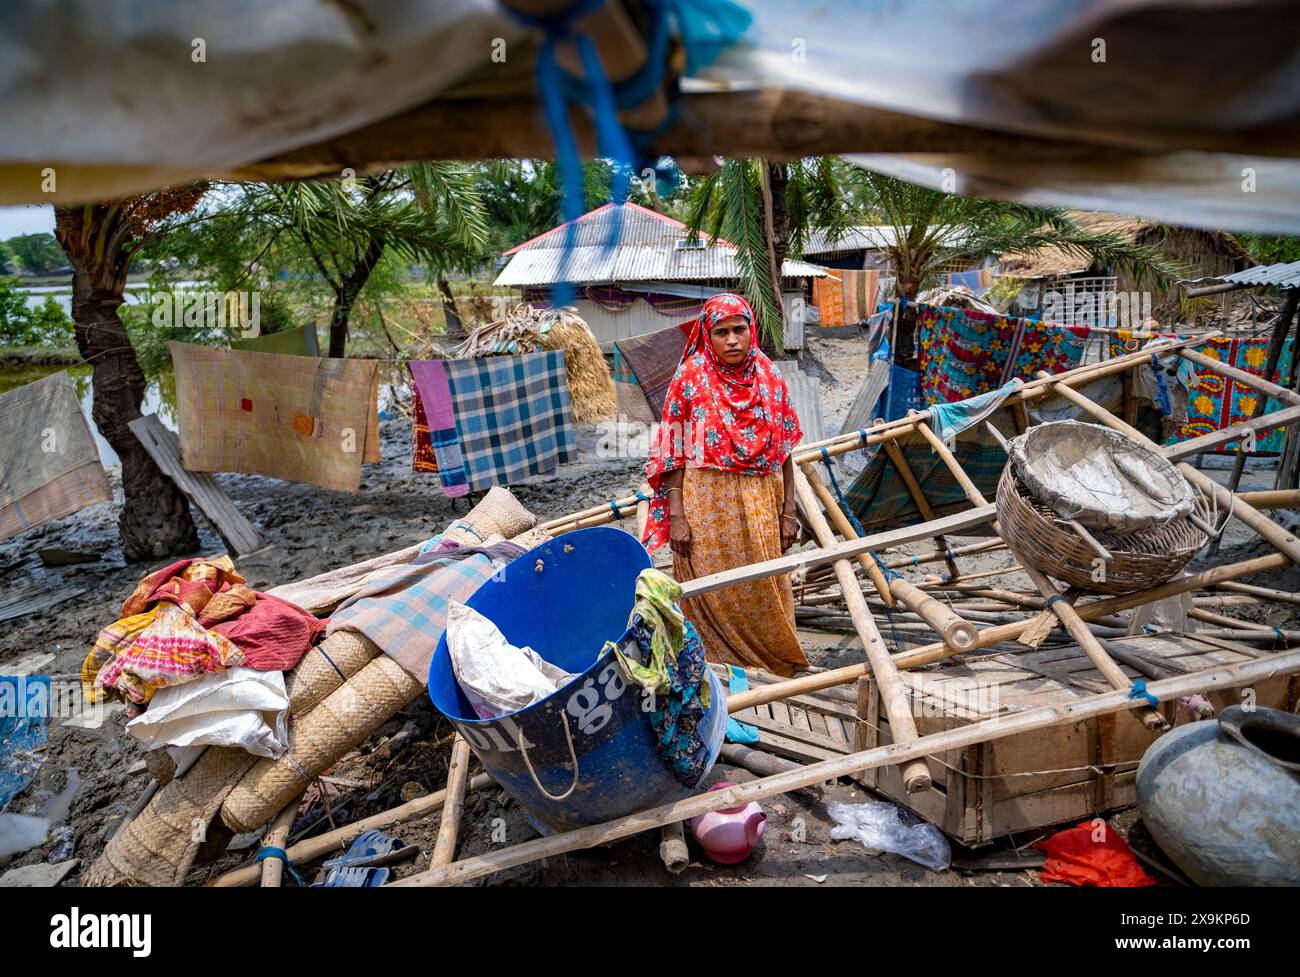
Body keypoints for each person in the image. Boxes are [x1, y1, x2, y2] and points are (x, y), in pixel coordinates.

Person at [642, 293, 809, 677]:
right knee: (712, 589)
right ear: (707, 335)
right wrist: (678, 516)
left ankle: (774, 666)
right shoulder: (690, 378)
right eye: (722, 332)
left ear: (752, 330)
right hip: (708, 507)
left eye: (740, 329)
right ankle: (717, 671)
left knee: (766, 583)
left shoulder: (769, 376)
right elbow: (674, 453)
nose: (732, 339)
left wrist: (788, 512)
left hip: (763, 501)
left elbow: (784, 450)